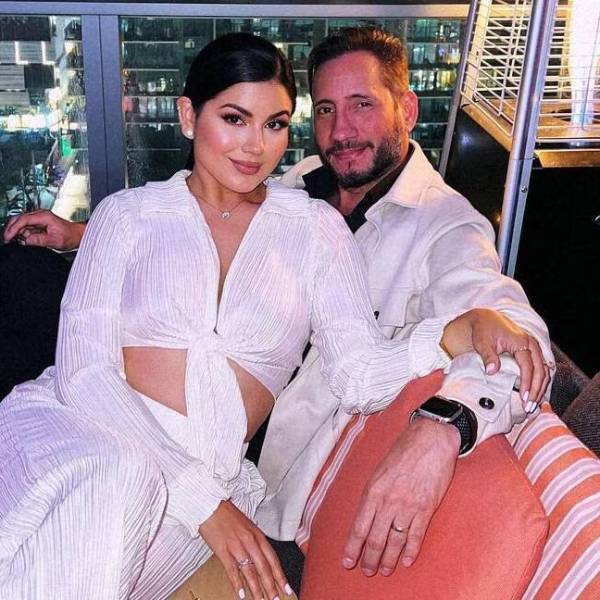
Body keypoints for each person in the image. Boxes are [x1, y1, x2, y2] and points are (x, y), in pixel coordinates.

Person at [0, 32, 535, 600]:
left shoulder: (317, 228)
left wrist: (453, 334)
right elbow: (84, 374)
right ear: (188, 116)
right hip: (85, 430)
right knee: (118, 473)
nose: (255, 146)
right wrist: (205, 504)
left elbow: (359, 373)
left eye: (275, 124)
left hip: (204, 482)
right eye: (235, 118)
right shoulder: (124, 215)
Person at [254, 25, 554, 581]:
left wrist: (443, 427)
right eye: (326, 109)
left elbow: (518, 338)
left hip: (277, 509)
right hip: (219, 445)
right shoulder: (302, 182)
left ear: (407, 109)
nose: (341, 130)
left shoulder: (446, 227)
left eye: (362, 104)